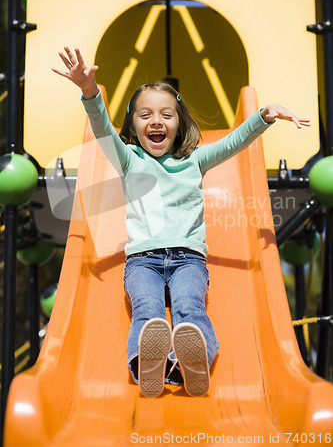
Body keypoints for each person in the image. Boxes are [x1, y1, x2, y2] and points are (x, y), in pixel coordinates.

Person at [52, 46, 310, 398]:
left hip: (189, 259)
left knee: (189, 305)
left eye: (166, 115)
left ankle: (194, 358)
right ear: (132, 125)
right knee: (149, 310)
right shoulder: (128, 160)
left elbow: (235, 142)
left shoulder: (195, 161)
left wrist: (263, 116)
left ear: (179, 123)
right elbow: (101, 130)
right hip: (143, 260)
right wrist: (89, 91)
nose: (156, 121)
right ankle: (147, 363)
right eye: (145, 115)